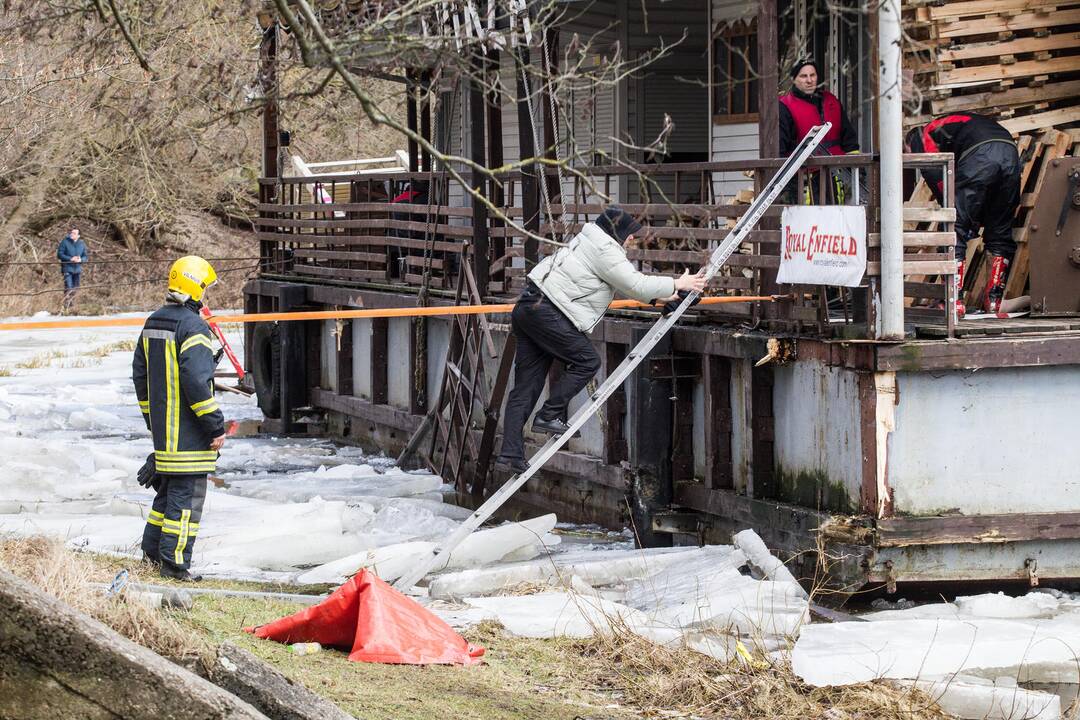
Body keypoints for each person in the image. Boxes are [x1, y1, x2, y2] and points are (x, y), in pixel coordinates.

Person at [496, 206, 707, 473]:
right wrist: (677, 284)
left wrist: (665, 297)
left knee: (525, 387)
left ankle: (510, 453)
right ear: (616, 231)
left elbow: (616, 287)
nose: (632, 239)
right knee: (587, 361)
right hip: (547, 312)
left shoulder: (590, 242)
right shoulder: (605, 250)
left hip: (529, 308)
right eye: (630, 233)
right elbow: (636, 285)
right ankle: (548, 415)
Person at [133, 256, 226, 581]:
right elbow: (197, 383)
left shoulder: (154, 322)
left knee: (166, 497)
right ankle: (174, 566)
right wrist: (215, 425)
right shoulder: (194, 327)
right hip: (188, 436)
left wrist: (152, 420)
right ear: (197, 289)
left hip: (163, 434)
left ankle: (151, 555)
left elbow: (140, 374)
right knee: (185, 503)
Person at [905, 113, 1020, 315]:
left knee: (954, 225)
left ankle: (953, 302)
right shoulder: (957, 126)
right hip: (1010, 153)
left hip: (981, 153)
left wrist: (952, 208)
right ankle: (994, 301)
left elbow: (934, 173)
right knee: (999, 228)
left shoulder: (921, 135)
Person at [779, 59, 860, 204]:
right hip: (803, 182)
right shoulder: (785, 107)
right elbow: (781, 150)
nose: (809, 80)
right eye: (803, 76)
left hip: (838, 177)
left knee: (838, 223)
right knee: (809, 225)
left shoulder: (832, 101)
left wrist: (858, 172)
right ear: (793, 79)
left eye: (813, 75)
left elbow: (850, 142)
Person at [56, 226, 88, 311]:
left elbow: (85, 256)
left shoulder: (81, 243)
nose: (72, 234)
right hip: (67, 268)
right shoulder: (65, 242)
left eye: (74, 233)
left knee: (75, 288)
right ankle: (66, 307)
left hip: (77, 269)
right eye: (71, 232)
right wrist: (70, 258)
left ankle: (72, 306)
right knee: (68, 287)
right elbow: (59, 254)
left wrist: (80, 259)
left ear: (78, 235)